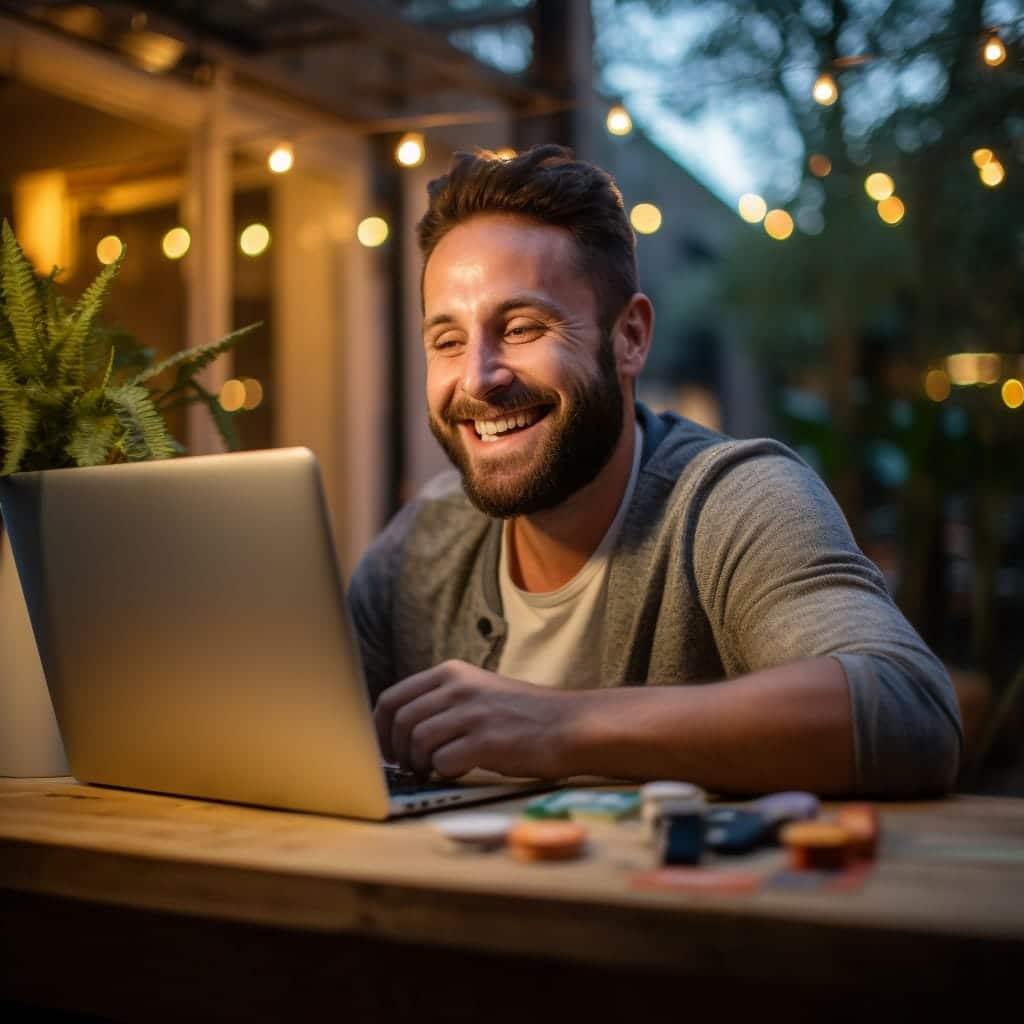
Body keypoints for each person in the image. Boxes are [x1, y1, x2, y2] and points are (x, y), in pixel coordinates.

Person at [349, 144, 961, 797]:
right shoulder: (419, 548)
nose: (477, 377)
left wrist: (558, 724)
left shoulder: (734, 503)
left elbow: (907, 712)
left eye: (523, 327)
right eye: (447, 341)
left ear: (630, 338)